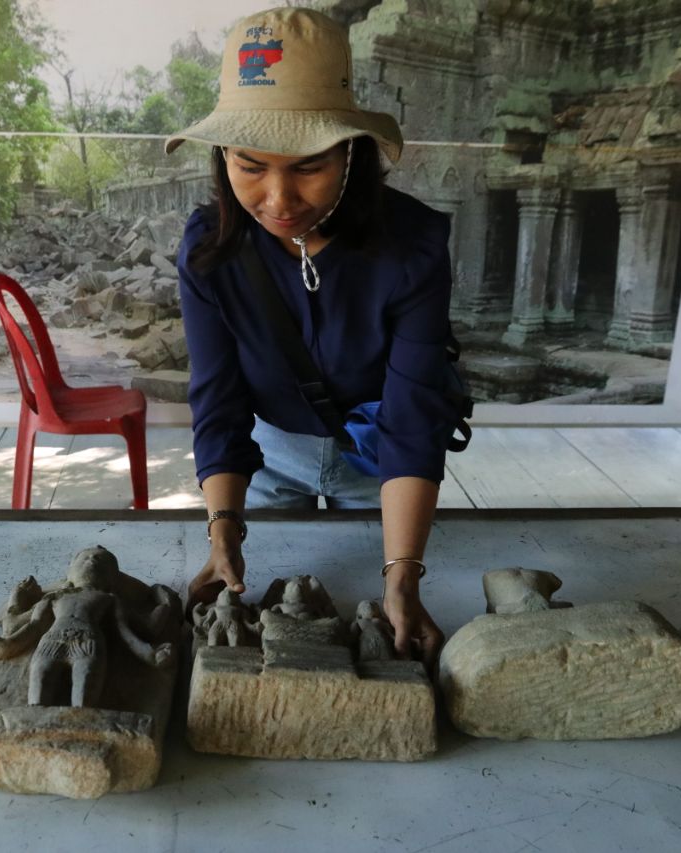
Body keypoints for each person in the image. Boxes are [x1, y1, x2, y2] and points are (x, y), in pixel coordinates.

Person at [165, 7, 466, 667]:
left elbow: (414, 413)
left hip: (377, 458)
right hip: (268, 456)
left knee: (373, 601)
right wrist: (223, 529)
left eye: (308, 166)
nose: (277, 197)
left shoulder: (411, 248)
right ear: (222, 157)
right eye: (249, 166)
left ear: (350, 150)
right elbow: (216, 396)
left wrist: (403, 575)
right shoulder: (209, 250)